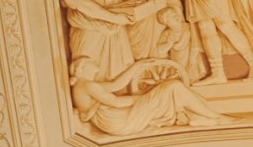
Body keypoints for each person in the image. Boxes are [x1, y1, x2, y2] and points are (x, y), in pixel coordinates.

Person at [69, 57, 228, 135]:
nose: (95, 67)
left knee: (172, 90)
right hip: (120, 121)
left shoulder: (84, 85)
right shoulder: (88, 85)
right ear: (82, 69)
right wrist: (148, 97)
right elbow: (116, 102)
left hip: (115, 121)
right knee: (174, 86)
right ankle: (218, 117)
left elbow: (117, 85)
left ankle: (197, 117)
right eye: (91, 64)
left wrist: (138, 65)